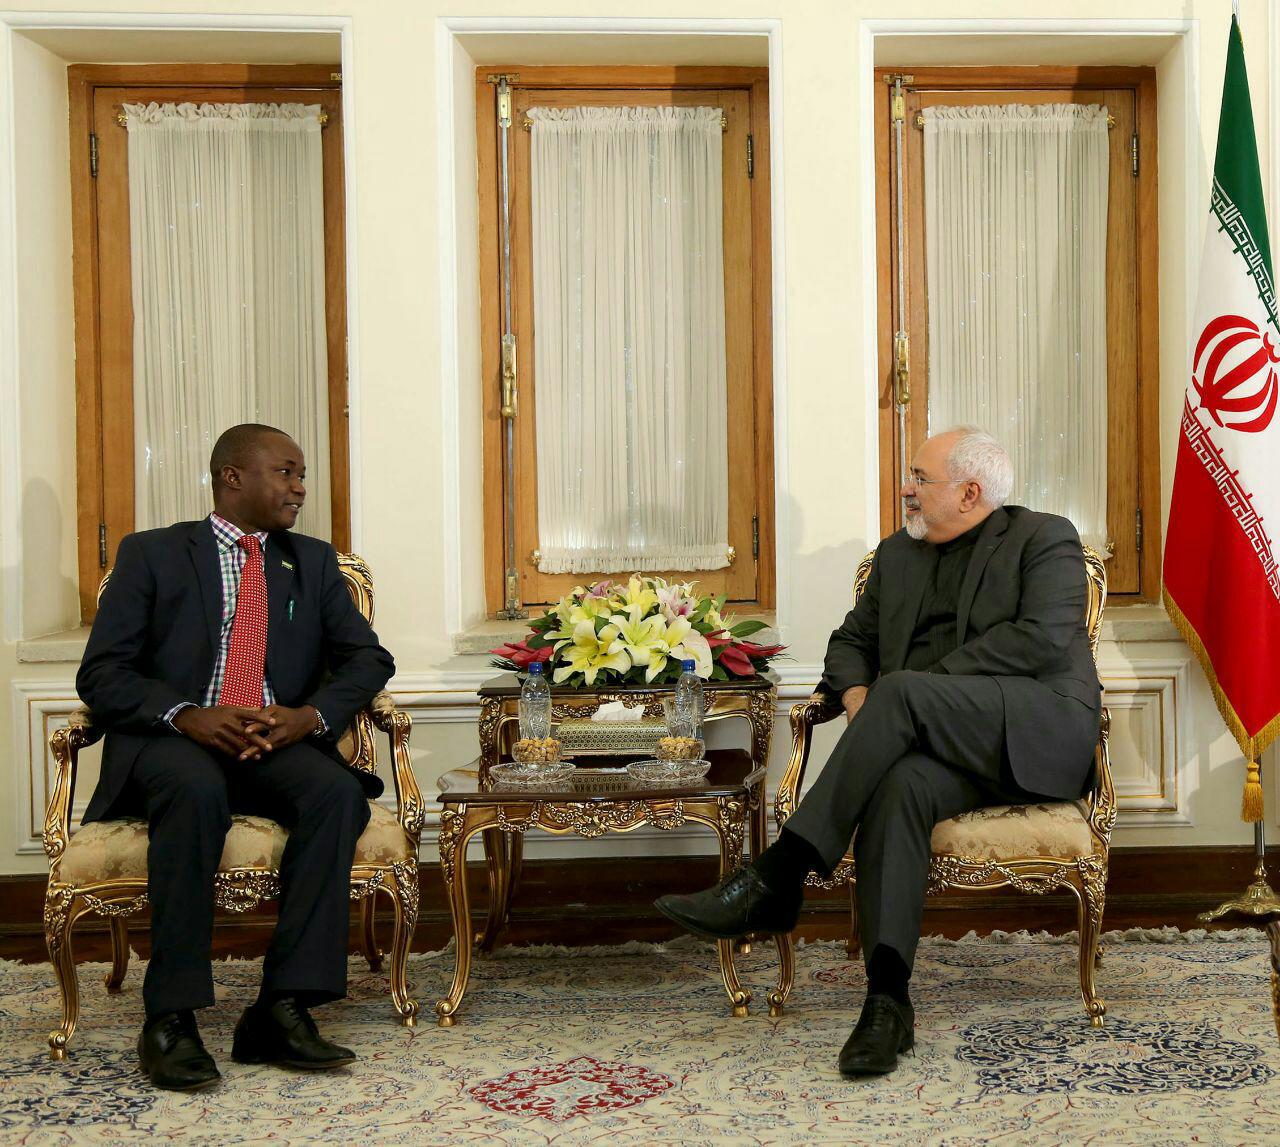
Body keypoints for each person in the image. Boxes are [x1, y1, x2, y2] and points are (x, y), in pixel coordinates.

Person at [656, 426, 1101, 1076]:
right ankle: (887, 1002)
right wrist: (862, 693)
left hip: (1031, 736)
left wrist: (910, 695)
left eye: (920, 477)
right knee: (899, 789)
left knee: (902, 693)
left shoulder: (1044, 538)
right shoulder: (899, 555)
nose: (906, 488)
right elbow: (849, 642)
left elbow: (1040, 639)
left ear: (970, 492)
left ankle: (780, 872)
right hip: (933, 748)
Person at [76, 424, 395, 1091]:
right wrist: (185, 713)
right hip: (175, 741)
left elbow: (369, 658)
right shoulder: (153, 554)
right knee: (195, 789)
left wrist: (308, 716)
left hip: (272, 739)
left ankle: (282, 1007)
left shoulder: (311, 561)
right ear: (232, 477)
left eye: (301, 474)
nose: (299, 488)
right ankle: (171, 1018)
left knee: (337, 793)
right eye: (286, 472)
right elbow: (102, 673)